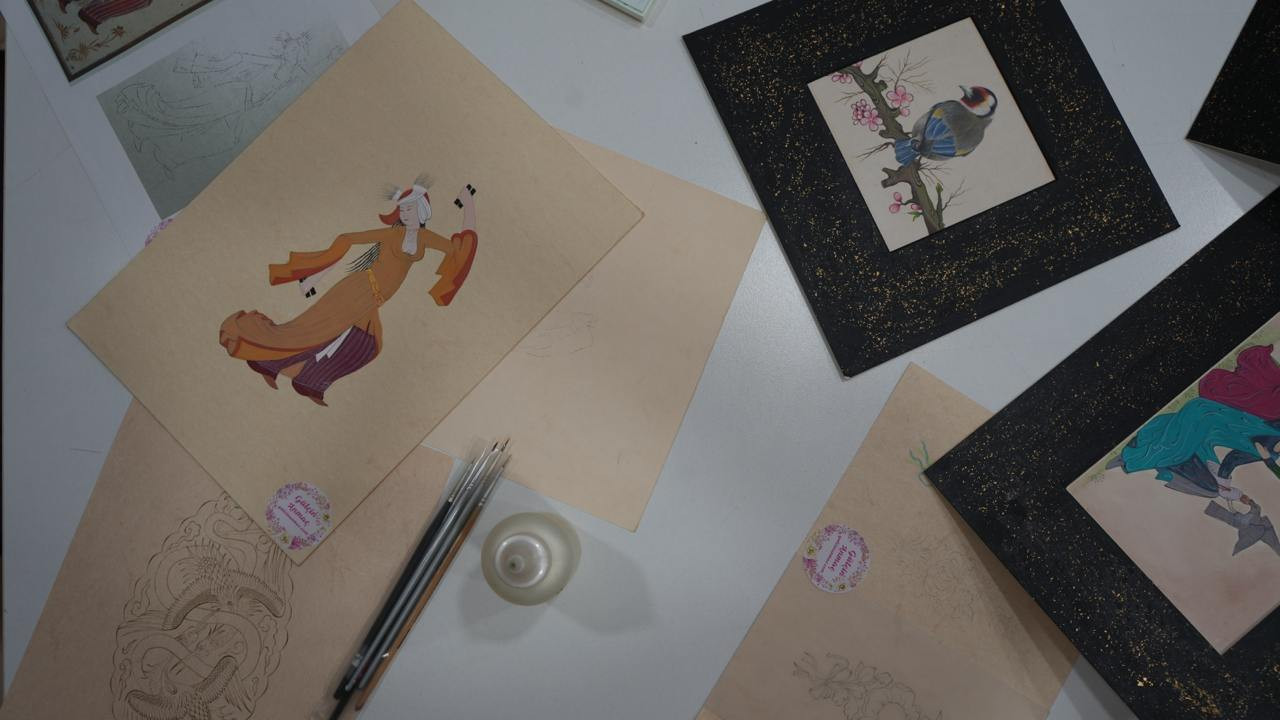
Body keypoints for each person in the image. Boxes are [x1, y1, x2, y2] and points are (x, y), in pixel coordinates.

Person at [218, 180, 477, 406]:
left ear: (422, 211)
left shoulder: (425, 238)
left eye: (410, 209)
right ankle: (266, 360)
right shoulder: (392, 234)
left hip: (372, 301)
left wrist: (469, 206)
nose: (405, 213)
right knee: (312, 331)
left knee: (365, 346)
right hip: (357, 289)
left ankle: (306, 378)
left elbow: (458, 249)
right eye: (403, 209)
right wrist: (315, 275)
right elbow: (349, 238)